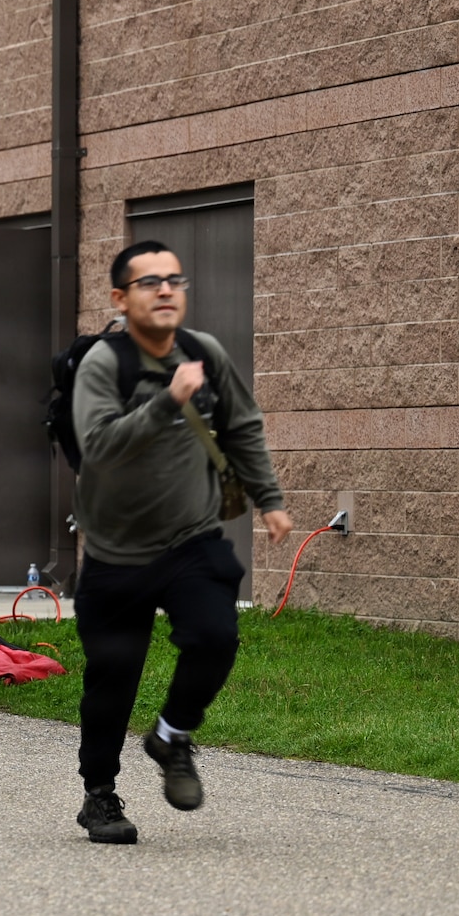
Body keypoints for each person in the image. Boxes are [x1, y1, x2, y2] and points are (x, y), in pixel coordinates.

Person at [70, 241, 290, 844]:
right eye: (150, 282)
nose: (166, 290)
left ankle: (171, 736)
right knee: (113, 677)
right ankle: (99, 795)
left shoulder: (204, 352)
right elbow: (99, 448)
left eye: (174, 279)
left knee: (216, 636)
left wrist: (269, 499)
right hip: (116, 551)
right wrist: (169, 400)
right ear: (120, 298)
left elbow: (242, 425)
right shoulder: (103, 365)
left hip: (191, 538)